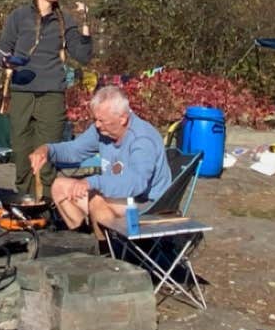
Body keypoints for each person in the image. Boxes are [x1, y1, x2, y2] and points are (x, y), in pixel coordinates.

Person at [0, 0, 94, 197]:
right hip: (22, 90)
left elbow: (83, 55)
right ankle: (26, 198)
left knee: (48, 152)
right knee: (21, 150)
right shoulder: (19, 16)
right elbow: (1, 48)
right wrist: (5, 60)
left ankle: (49, 204)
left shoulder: (64, 20)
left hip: (52, 92)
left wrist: (85, 26)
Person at [30, 85, 172, 233]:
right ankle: (83, 237)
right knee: (60, 186)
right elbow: (75, 150)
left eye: (102, 120)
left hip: (147, 204)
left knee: (96, 200)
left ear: (122, 119)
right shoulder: (101, 130)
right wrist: (47, 150)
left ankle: (107, 251)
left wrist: (92, 182)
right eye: (95, 119)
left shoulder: (142, 140)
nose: (97, 125)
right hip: (117, 196)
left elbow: (136, 184)